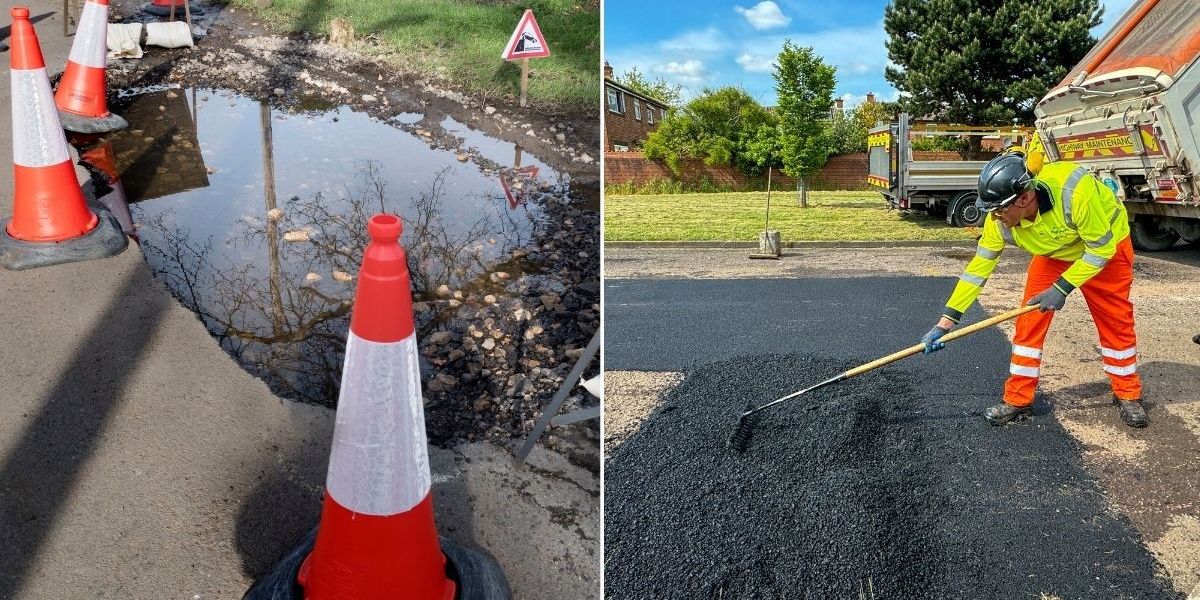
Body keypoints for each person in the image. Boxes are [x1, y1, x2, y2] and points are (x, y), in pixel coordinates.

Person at [921, 153, 1147, 428]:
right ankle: (1018, 399)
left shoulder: (1075, 193)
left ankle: (1127, 393)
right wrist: (946, 322)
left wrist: (1061, 288)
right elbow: (977, 269)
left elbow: (1101, 250)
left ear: (1024, 198)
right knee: (1028, 322)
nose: (995, 217)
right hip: (1055, 254)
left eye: (999, 210)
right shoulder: (998, 220)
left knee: (1114, 320)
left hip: (1105, 248)